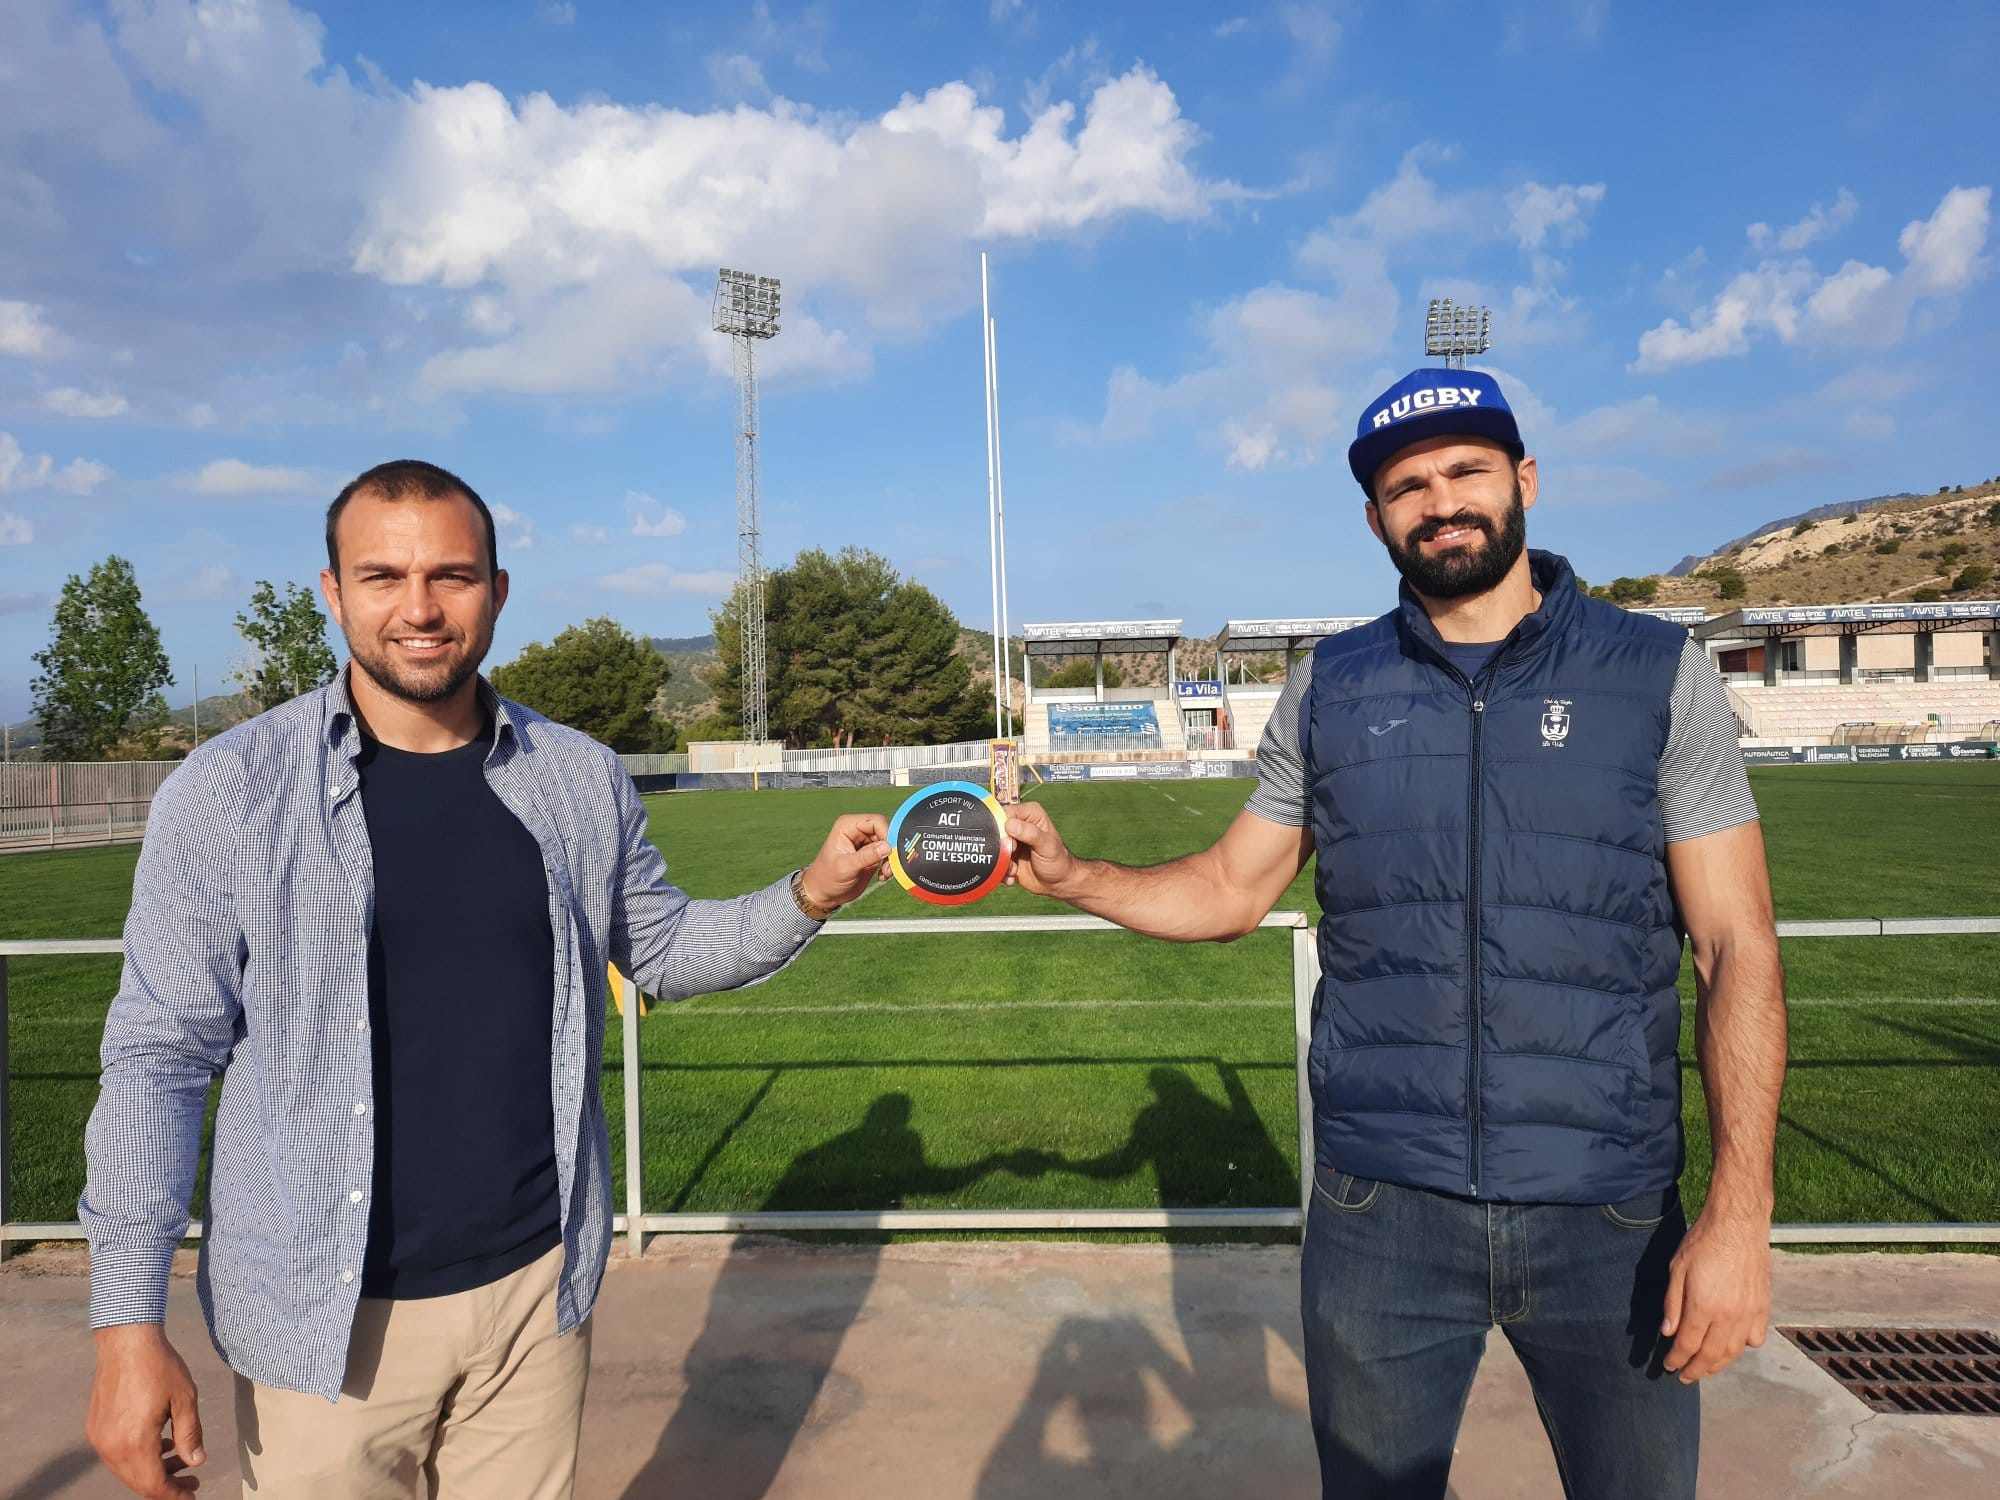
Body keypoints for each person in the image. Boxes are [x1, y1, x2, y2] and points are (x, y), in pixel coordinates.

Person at [1003, 368, 1787, 1499]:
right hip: (1381, 1218)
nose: (1439, 501)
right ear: (1375, 517)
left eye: (1465, 470)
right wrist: (1074, 876)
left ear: (1521, 478)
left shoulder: (1653, 672)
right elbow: (1229, 888)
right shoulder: (1332, 683)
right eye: (1405, 485)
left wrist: (1737, 1219)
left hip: (1606, 1211)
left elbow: (1735, 949)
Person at [81, 459, 890, 1499]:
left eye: (452, 576)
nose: (418, 609)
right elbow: (158, 1055)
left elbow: (661, 948)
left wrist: (811, 891)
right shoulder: (233, 790)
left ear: (497, 592)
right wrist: (124, 1325)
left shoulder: (575, 774)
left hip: (534, 1298)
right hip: (325, 1320)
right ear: (332, 592)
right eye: (381, 577)